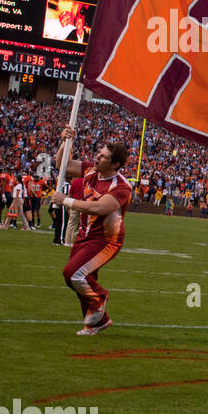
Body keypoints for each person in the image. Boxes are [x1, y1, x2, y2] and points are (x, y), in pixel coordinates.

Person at [48, 126, 132, 335]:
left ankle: (100, 298)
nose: (97, 158)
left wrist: (66, 200)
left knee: (73, 274)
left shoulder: (121, 187)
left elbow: (99, 207)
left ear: (115, 165)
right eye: (98, 153)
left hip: (106, 240)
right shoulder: (90, 171)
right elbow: (62, 165)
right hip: (85, 235)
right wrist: (65, 143)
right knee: (83, 281)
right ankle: (97, 322)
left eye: (103, 157)